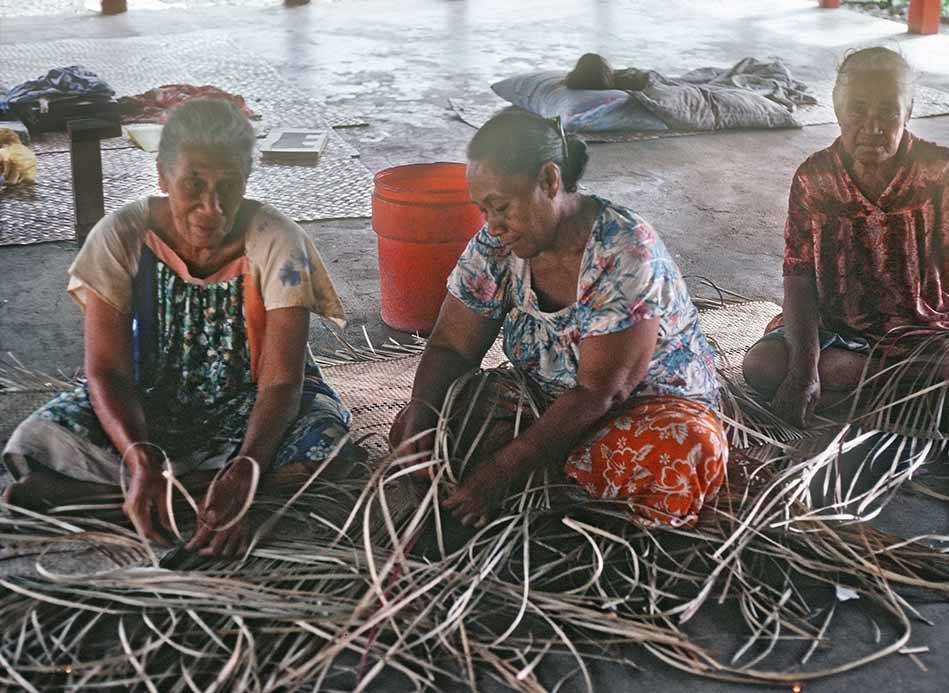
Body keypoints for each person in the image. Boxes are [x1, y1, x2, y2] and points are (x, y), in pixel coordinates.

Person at [2, 99, 352, 557]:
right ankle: (188, 493)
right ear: (163, 177)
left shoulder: (278, 240)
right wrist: (138, 454)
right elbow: (107, 371)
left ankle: (118, 499)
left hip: (252, 401)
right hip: (149, 398)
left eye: (229, 185)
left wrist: (247, 465)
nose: (212, 206)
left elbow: (282, 380)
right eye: (193, 183)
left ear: (247, 180)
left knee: (326, 443)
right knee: (35, 438)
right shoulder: (121, 234)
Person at [390, 110, 728, 529]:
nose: (492, 226)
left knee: (685, 451)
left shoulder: (624, 250)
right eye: (482, 210)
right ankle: (557, 490)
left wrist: (504, 467)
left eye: (501, 207)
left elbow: (601, 392)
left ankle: (557, 503)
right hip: (542, 404)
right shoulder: (495, 247)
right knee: (422, 425)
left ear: (550, 182)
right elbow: (451, 347)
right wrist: (421, 422)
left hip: (639, 412)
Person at [742, 47, 949, 437]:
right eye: (857, 109)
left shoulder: (936, 167)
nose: (872, 125)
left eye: (888, 111)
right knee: (763, 366)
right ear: (836, 108)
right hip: (842, 329)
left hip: (930, 327)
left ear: (909, 111)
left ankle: (903, 387)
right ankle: (922, 387)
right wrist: (803, 370)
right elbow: (799, 278)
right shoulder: (813, 178)